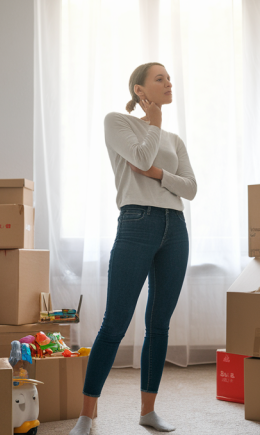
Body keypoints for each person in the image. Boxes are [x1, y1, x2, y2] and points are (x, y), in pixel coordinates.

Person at [70, 62, 197, 435]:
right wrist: (154, 123)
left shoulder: (174, 140)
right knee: (115, 323)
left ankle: (147, 411)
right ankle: (87, 414)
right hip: (136, 222)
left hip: (175, 226)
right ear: (140, 90)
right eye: (160, 79)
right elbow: (140, 157)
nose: (169, 82)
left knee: (159, 325)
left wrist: (160, 175)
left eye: (170, 78)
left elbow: (190, 188)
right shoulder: (118, 122)